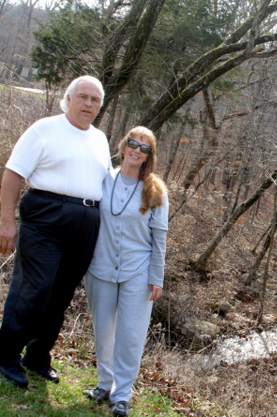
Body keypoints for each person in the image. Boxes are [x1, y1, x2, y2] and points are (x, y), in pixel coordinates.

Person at [0, 75, 111, 389]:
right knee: (35, 287)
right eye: (83, 97)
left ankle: (37, 356)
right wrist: (6, 222)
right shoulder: (44, 129)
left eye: (95, 100)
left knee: (60, 295)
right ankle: (6, 354)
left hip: (86, 224)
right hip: (45, 217)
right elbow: (12, 174)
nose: (88, 104)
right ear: (69, 98)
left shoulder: (100, 139)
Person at [83, 126, 168, 417]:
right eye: (133, 143)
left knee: (130, 335)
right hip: (100, 267)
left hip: (138, 273)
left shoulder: (155, 190)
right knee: (103, 332)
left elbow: (160, 238)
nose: (137, 149)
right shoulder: (103, 178)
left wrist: (156, 277)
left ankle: (122, 396)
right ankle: (104, 385)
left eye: (144, 147)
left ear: (148, 156)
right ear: (123, 145)